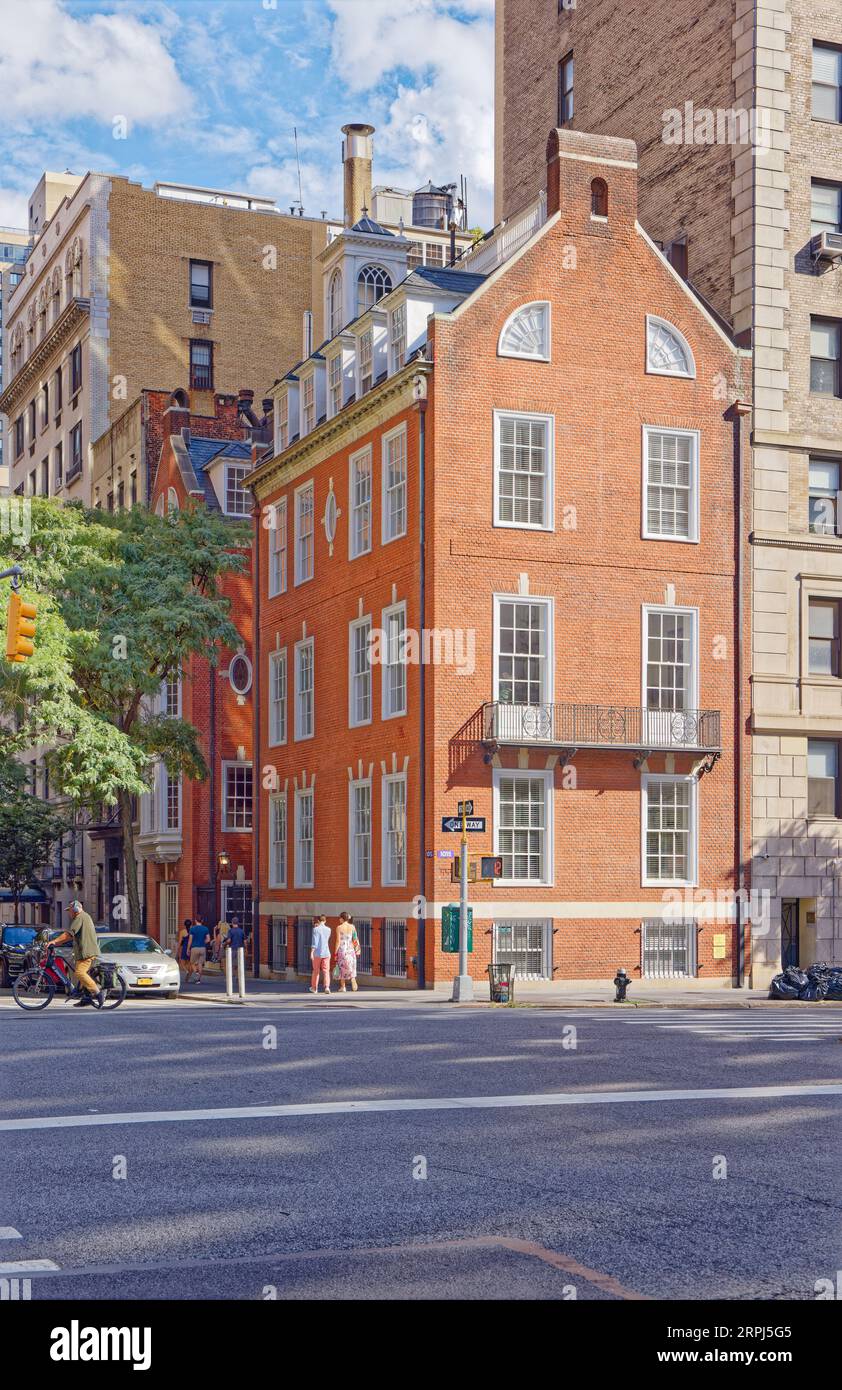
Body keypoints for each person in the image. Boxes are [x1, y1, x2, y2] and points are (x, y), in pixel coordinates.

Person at [50, 900, 102, 1008]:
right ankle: (86, 999)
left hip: (86, 952)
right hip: (82, 952)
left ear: (76, 909)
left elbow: (69, 934)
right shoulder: (84, 917)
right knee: (81, 975)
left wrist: (54, 942)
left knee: (79, 973)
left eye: (70, 910)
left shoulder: (80, 917)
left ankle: (97, 993)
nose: (69, 913)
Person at [334, 912, 360, 994]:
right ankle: (352, 977)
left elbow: (338, 941)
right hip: (350, 949)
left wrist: (335, 953)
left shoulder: (339, 927)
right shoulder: (352, 927)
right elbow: (355, 939)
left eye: (339, 918)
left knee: (342, 968)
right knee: (351, 965)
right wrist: (357, 949)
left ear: (342, 918)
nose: (339, 919)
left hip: (342, 949)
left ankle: (343, 987)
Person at [308, 914, 331, 995]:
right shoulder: (329, 929)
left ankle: (314, 988)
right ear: (325, 921)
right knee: (326, 971)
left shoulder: (315, 930)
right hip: (326, 952)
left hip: (317, 953)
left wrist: (311, 952)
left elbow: (315, 942)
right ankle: (327, 987)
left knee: (316, 971)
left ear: (318, 920)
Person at [186, 914, 210, 983]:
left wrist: (188, 949)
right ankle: (198, 979)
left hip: (194, 948)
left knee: (192, 962)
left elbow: (190, 940)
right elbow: (208, 939)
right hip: (202, 948)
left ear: (195, 920)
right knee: (200, 963)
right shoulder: (205, 928)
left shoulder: (192, 929)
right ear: (202, 921)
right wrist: (203, 942)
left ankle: (196, 973)